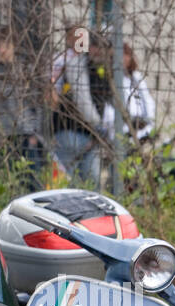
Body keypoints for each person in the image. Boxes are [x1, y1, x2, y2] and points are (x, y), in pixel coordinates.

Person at [0, 26, 45, 187]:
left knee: (32, 184)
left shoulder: (25, 70)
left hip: (25, 134)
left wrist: (34, 133)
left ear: (14, 46)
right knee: (2, 184)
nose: (2, 50)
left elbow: (37, 103)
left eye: (6, 45)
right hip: (2, 136)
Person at [49, 25, 110, 186]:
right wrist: (98, 126)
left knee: (87, 183)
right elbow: (82, 100)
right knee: (72, 184)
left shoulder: (100, 69)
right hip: (70, 130)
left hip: (88, 135)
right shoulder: (74, 63)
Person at [102, 43, 155, 146]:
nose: (121, 59)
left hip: (141, 135)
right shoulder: (108, 81)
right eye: (115, 56)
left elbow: (148, 103)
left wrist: (149, 127)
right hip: (118, 136)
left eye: (124, 54)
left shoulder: (136, 77)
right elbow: (108, 112)